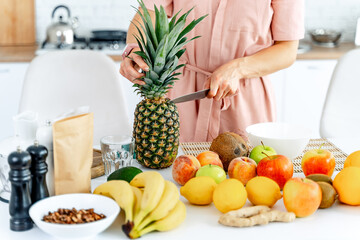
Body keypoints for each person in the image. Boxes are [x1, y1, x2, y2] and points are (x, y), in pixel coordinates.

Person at [120, 0, 304, 142]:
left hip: (245, 97)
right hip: (183, 96)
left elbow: (287, 49)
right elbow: (149, 12)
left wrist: (237, 69)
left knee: (247, 179)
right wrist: (135, 47)